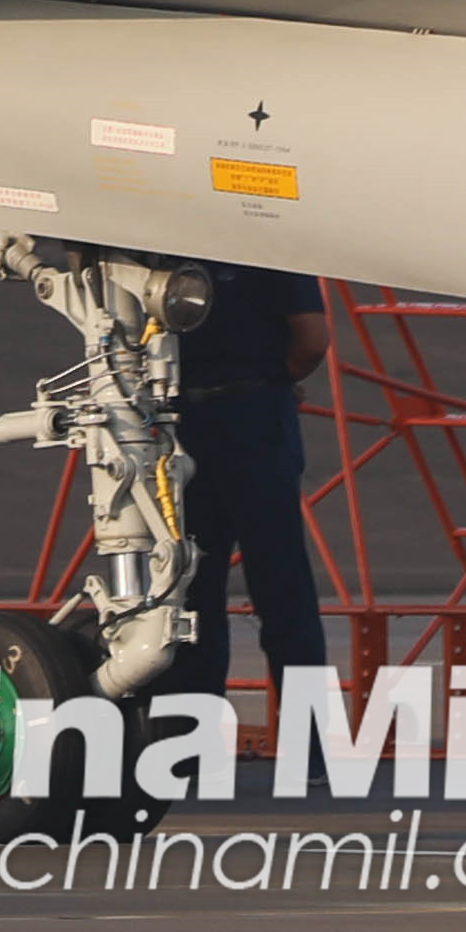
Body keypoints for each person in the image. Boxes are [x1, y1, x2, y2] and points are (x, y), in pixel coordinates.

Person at [170, 258, 330, 686]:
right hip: (255, 415)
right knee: (283, 590)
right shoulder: (264, 245)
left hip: (177, 420)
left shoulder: (156, 247)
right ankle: (308, 745)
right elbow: (311, 340)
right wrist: (274, 380)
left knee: (190, 592)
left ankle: (189, 745)